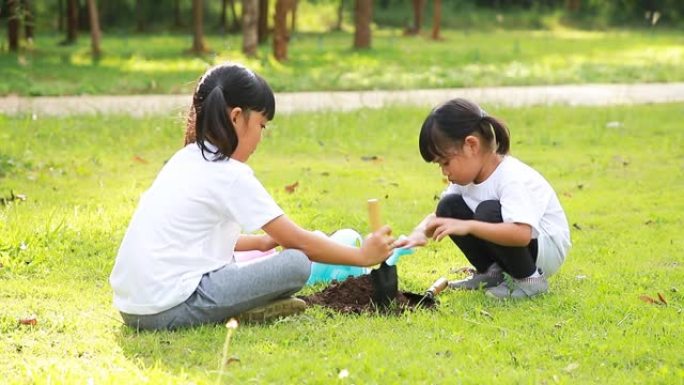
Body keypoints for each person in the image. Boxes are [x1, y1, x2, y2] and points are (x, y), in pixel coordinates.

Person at [109, 63, 395, 330]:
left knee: (249, 260)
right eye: (261, 125)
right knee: (296, 262)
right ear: (236, 117)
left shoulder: (185, 159)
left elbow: (192, 239)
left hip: (134, 308)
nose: (261, 136)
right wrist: (362, 256)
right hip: (170, 308)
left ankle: (242, 304)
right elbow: (298, 242)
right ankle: (242, 308)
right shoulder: (229, 173)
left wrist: (259, 242)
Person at [395, 98, 571, 299]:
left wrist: (469, 226)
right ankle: (492, 274)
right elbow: (440, 217)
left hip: (544, 250)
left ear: (471, 145)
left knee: (488, 212)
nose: (444, 172)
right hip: (521, 241)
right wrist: (418, 233)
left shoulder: (510, 177)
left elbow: (522, 233)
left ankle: (531, 282)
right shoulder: (468, 178)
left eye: (445, 162)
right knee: (448, 207)